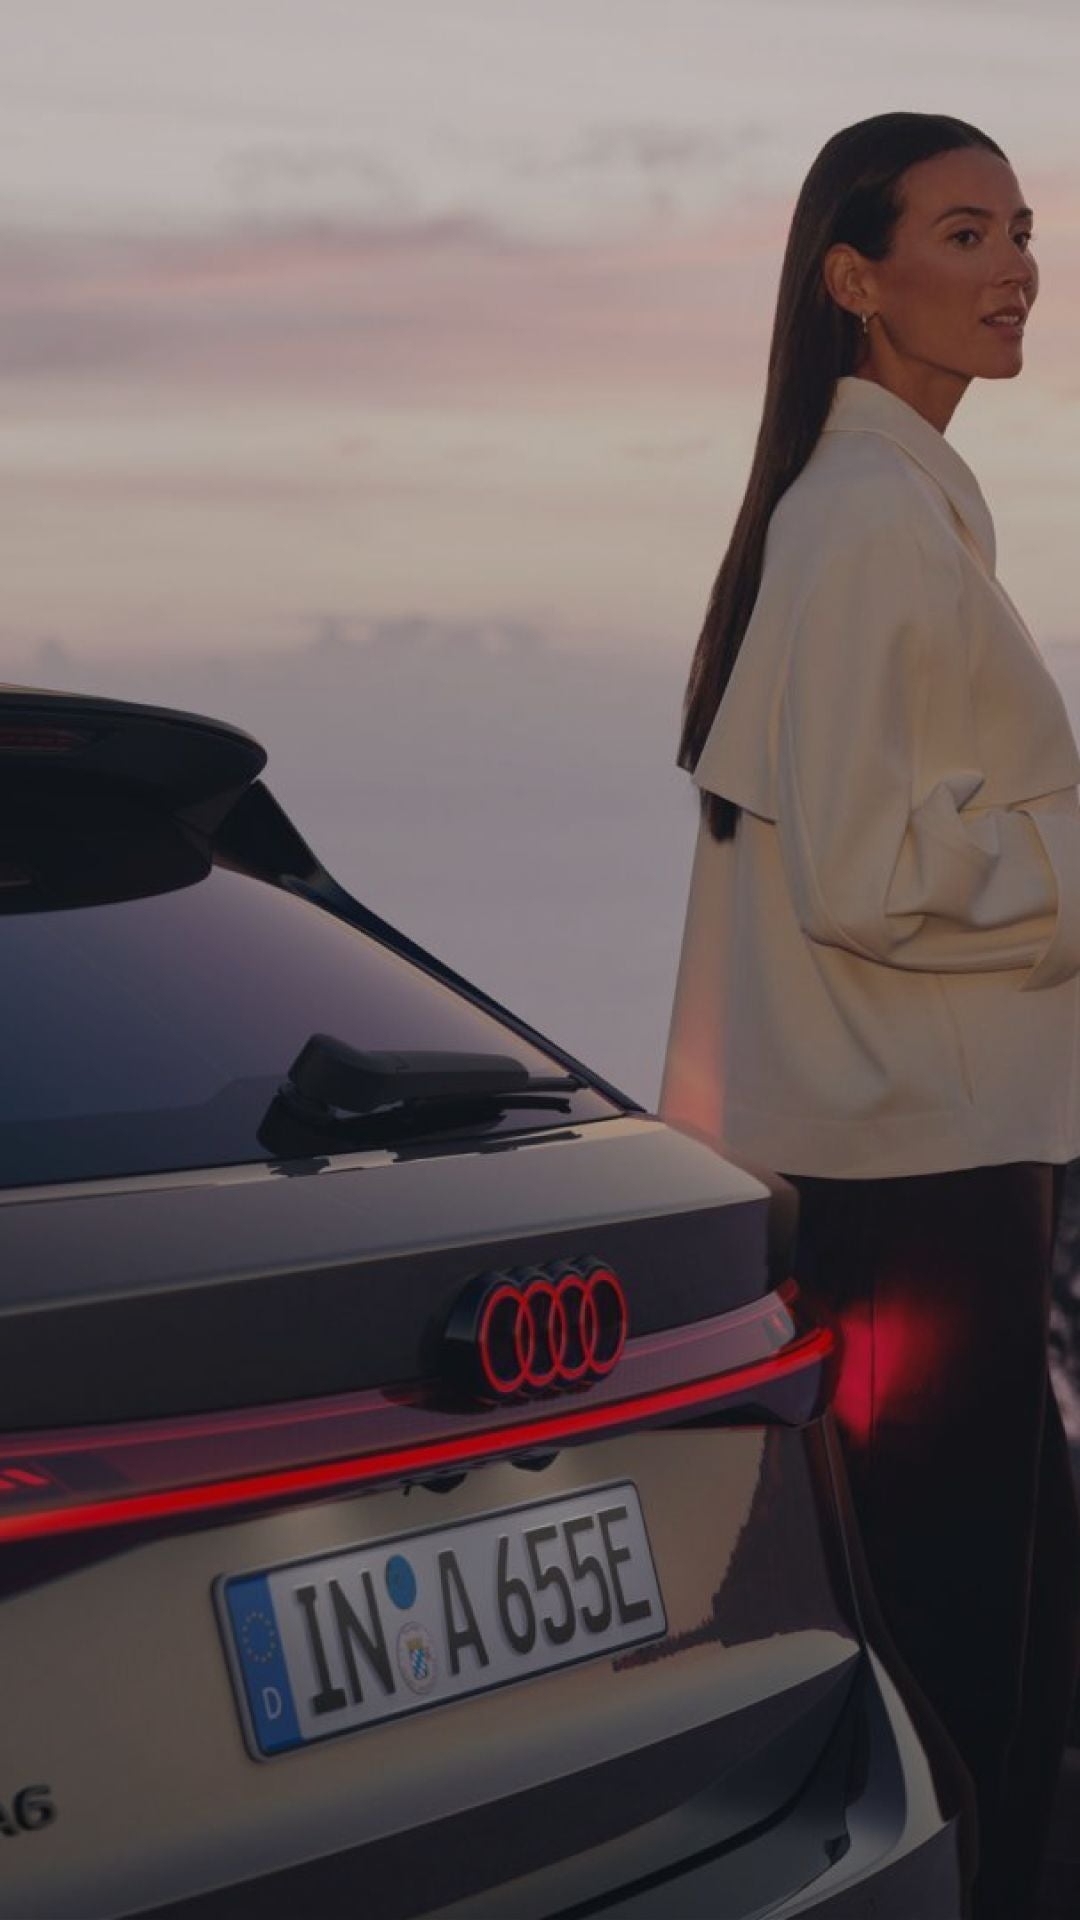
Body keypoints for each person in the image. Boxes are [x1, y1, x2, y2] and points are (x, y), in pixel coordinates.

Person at [658, 112, 1080, 1920]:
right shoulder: (866, 524)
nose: (1015, 272)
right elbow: (868, 868)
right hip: (921, 1175)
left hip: (927, 1158)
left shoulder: (886, 509)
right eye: (965, 234)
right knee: (964, 1658)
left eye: (1023, 232)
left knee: (977, 1637)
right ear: (856, 279)